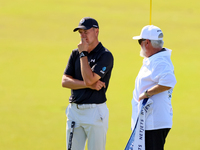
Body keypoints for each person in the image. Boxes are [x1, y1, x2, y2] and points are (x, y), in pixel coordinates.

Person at [62, 17, 114, 150]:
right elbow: (65, 81)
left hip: (95, 111)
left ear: (96, 31)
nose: (82, 35)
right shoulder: (75, 53)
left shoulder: (105, 55)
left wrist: (83, 53)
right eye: (80, 32)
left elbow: (90, 79)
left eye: (86, 31)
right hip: (75, 111)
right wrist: (89, 85)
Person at [131, 25, 177, 150]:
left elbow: (169, 81)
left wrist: (146, 94)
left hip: (154, 123)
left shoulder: (159, 61)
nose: (139, 45)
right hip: (150, 122)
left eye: (139, 42)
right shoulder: (155, 59)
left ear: (147, 43)